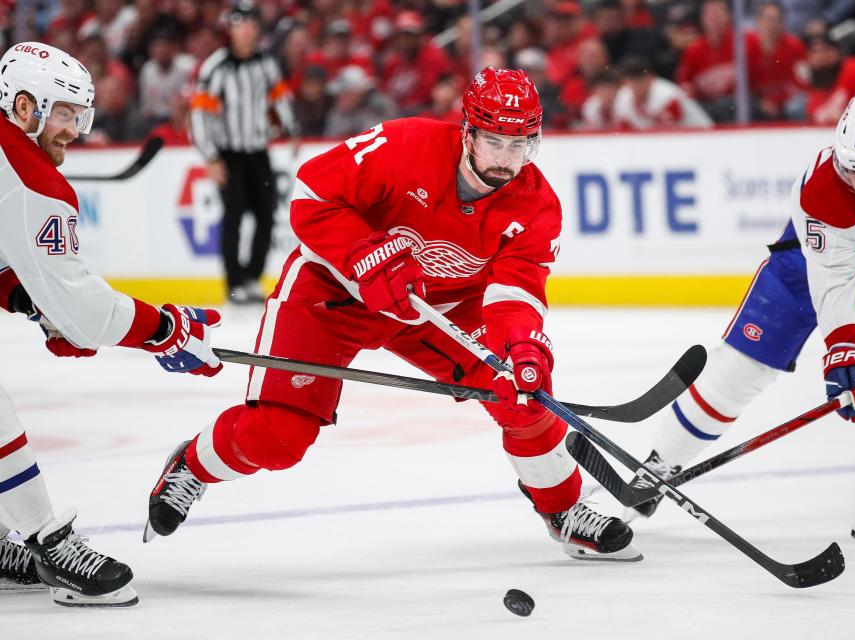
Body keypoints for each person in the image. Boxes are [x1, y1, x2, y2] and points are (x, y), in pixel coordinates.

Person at [144, 67, 642, 563]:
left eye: (520, 146)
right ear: (468, 130)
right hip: (332, 294)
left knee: (525, 394)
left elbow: (516, 290)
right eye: (494, 142)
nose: (506, 161)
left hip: (433, 310)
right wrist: (364, 253)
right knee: (277, 439)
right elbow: (311, 196)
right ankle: (193, 465)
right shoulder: (406, 146)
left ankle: (564, 508)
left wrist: (522, 346)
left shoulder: (535, 205)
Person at [626, 92, 855, 542]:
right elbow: (835, 280)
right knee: (742, 368)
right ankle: (657, 465)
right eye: (853, 169)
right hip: (809, 265)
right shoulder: (823, 188)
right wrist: (845, 349)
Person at [0, 42, 223, 605]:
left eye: (81, 114)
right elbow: (86, 310)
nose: (76, 129)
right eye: (65, 113)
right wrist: (167, 329)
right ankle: (50, 543)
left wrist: (31, 303)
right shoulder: (30, 179)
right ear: (24, 107)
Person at [189, 1, 300, 306]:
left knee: (266, 214)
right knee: (234, 215)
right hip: (229, 154)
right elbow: (199, 113)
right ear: (232, 29)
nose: (248, 31)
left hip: (257, 150)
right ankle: (234, 282)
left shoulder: (265, 64)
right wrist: (211, 157)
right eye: (242, 25)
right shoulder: (217, 66)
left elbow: (279, 97)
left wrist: (290, 129)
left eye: (253, 25)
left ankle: (252, 278)